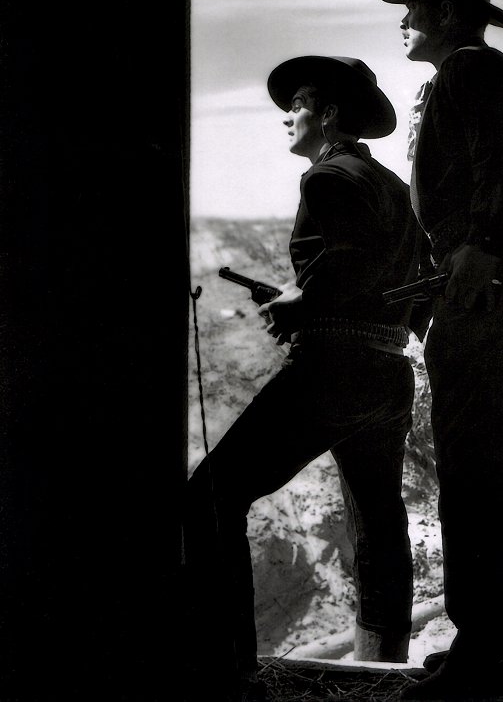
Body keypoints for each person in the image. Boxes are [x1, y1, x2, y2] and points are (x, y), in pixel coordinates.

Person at [184, 55, 420, 702]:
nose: (285, 117)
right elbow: (395, 279)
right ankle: (382, 670)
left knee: (208, 499)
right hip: (387, 372)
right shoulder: (392, 186)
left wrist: (299, 302)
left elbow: (346, 265)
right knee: (378, 517)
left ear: (330, 115)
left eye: (298, 106)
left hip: (332, 374)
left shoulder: (324, 180)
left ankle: (224, 670)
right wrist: (307, 294)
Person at [380, 0, 503, 700]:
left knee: (480, 474)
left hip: (488, 302)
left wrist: (478, 245)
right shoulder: (470, 74)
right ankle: (499, 646)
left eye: (413, 8)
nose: (402, 21)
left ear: (447, 13)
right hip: (496, 297)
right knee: (500, 474)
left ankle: (488, 654)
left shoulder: (471, 70)